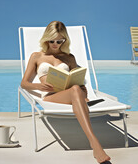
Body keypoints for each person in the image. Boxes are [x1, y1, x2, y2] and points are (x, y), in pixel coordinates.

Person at [21, 21, 111, 164]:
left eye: (59, 40)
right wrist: (39, 86)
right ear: (46, 39)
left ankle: (94, 143)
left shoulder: (69, 57)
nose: (55, 44)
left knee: (76, 89)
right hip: (49, 96)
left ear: (65, 39)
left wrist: (84, 94)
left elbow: (79, 82)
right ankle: (95, 143)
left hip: (69, 92)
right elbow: (24, 84)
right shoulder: (36, 56)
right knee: (75, 90)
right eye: (52, 40)